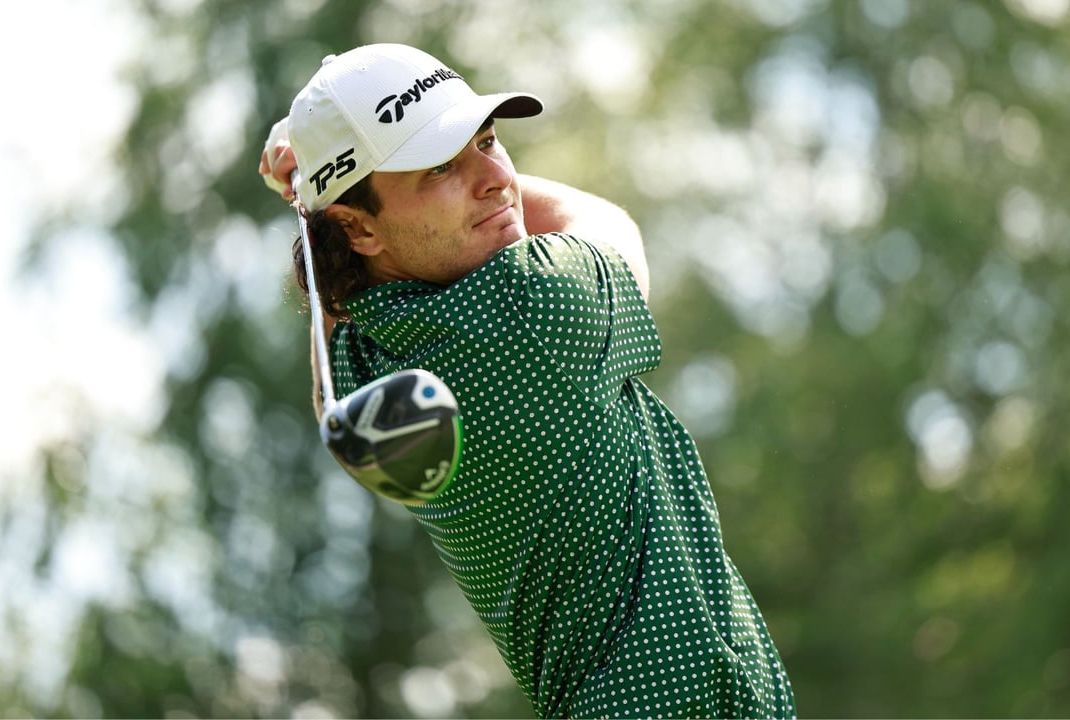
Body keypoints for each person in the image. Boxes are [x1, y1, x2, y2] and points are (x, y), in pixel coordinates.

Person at [259, 42, 796, 719]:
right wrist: (312, 182)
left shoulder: (362, 360)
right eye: (441, 166)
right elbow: (606, 221)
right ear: (360, 228)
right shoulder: (536, 306)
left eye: (488, 141)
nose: (493, 178)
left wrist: (316, 195)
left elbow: (329, 335)